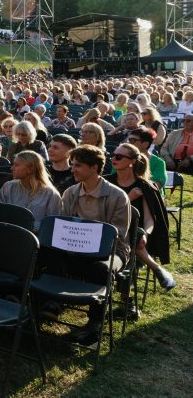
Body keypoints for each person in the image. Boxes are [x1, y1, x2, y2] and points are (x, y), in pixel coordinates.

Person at [55, 145, 131, 345]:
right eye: (72, 165)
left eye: (78, 166)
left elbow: (118, 234)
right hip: (75, 247)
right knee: (46, 254)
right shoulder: (71, 192)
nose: (72, 170)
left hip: (112, 250)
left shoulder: (117, 196)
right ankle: (48, 304)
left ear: (95, 167)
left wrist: (88, 239)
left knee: (100, 269)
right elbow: (63, 225)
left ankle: (94, 325)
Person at [106, 142, 175, 319]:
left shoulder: (144, 186)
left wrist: (146, 233)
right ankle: (155, 269)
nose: (113, 159)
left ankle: (127, 302)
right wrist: (128, 199)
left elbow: (149, 219)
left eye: (119, 157)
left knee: (135, 236)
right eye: (113, 155)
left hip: (136, 239)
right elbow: (107, 214)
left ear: (133, 161)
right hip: (108, 232)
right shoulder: (107, 182)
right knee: (131, 239)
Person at [0, 151, 62, 231]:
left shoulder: (51, 194)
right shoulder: (8, 187)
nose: (12, 168)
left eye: (16, 165)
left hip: (36, 239)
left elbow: (51, 226)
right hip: (8, 233)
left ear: (30, 168)